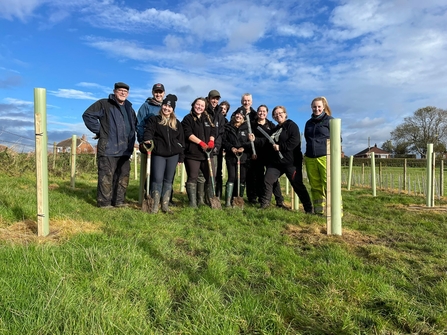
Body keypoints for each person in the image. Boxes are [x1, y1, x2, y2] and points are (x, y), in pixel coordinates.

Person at [82, 82, 137, 208]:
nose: (123, 93)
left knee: (123, 176)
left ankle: (119, 201)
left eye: (125, 91)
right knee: (106, 176)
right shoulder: (104, 104)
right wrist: (100, 131)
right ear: (114, 91)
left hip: (125, 149)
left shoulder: (129, 108)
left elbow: (135, 125)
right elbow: (88, 115)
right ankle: (104, 203)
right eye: (120, 90)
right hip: (108, 147)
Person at [255, 106, 312, 213]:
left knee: (297, 185)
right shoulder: (275, 129)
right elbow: (267, 143)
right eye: (275, 114)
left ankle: (308, 209)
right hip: (276, 163)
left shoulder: (291, 125)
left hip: (291, 162)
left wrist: (281, 147)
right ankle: (265, 204)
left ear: (285, 114)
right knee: (267, 180)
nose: (278, 115)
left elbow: (294, 142)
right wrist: (255, 140)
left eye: (280, 113)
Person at [142, 94, 184, 213]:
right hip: (159, 153)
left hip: (173, 155)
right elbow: (148, 131)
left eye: (170, 107)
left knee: (168, 179)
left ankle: (165, 205)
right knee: (157, 178)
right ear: (162, 106)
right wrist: (147, 139)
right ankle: (154, 205)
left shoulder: (177, 123)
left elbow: (181, 141)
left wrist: (181, 156)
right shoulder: (154, 120)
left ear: (173, 109)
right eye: (165, 105)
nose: (167, 108)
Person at [250, 105, 288, 208]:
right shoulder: (252, 125)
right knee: (259, 177)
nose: (262, 113)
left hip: (269, 155)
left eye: (264, 111)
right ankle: (262, 199)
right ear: (257, 112)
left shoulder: (271, 126)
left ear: (267, 113)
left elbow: (271, 141)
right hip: (256, 155)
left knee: (273, 179)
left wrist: (256, 140)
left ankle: (279, 201)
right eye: (260, 111)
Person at [181, 97, 216, 208]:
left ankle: (207, 200)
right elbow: (188, 133)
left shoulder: (208, 118)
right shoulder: (188, 118)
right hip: (193, 153)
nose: (199, 107)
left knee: (211, 176)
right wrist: (201, 143)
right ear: (193, 104)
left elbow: (213, 130)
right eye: (197, 104)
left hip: (207, 153)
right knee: (193, 177)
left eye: (202, 105)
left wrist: (211, 141)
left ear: (205, 107)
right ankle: (193, 203)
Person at [304, 96, 334, 215]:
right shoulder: (308, 123)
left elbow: (337, 139)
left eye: (319, 107)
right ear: (311, 107)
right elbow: (307, 138)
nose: (316, 109)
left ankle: (335, 212)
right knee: (315, 185)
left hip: (325, 156)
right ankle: (318, 211)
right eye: (314, 107)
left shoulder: (330, 120)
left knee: (328, 184)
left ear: (324, 107)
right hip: (310, 157)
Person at [196, 90, 225, 205]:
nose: (215, 101)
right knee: (201, 175)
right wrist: (204, 145)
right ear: (208, 99)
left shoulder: (220, 115)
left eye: (217, 99)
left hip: (214, 150)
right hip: (202, 148)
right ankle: (200, 199)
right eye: (213, 98)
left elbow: (221, 133)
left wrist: (216, 147)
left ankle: (210, 199)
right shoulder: (203, 112)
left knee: (212, 174)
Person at [136, 83, 165, 198]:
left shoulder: (167, 106)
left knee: (162, 172)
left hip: (163, 144)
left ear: (164, 93)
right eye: (156, 92)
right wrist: (143, 140)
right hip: (151, 143)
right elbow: (140, 124)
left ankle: (162, 196)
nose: (158, 94)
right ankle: (147, 194)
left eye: (160, 92)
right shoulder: (146, 106)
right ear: (153, 93)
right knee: (151, 171)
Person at [222, 110, 252, 207]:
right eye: (237, 114)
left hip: (243, 157)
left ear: (243, 117)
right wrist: (231, 148)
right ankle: (228, 200)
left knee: (242, 178)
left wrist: (244, 147)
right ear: (234, 116)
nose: (238, 116)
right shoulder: (228, 127)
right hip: (231, 156)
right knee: (232, 177)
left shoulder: (248, 128)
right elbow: (224, 140)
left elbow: (251, 142)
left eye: (241, 115)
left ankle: (238, 199)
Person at [215, 100, 230, 199]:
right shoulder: (214, 118)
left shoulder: (227, 123)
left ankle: (218, 194)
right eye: (221, 108)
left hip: (221, 148)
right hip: (213, 146)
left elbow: (226, 137)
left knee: (219, 172)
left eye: (225, 109)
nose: (222, 110)